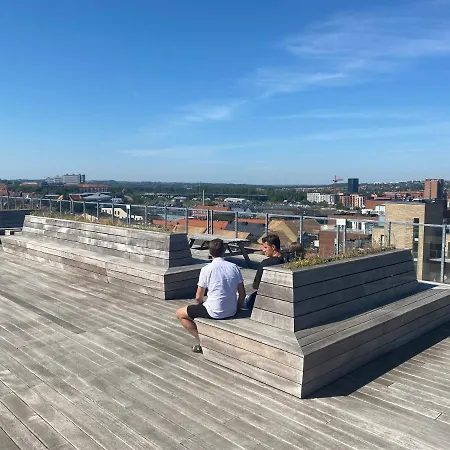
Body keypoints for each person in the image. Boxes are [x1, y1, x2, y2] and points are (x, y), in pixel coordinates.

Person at [176, 238, 246, 353]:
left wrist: (201, 305)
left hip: (214, 311)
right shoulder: (234, 267)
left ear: (210, 251)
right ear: (224, 250)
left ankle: (203, 342)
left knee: (180, 313)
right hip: (232, 310)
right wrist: (237, 308)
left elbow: (198, 297)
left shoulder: (206, 269)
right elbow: (242, 294)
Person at [243, 234, 284, 311]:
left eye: (265, 247)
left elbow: (255, 286)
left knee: (242, 299)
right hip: (282, 297)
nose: (263, 250)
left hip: (266, 298)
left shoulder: (265, 263)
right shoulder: (285, 260)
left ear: (273, 247)